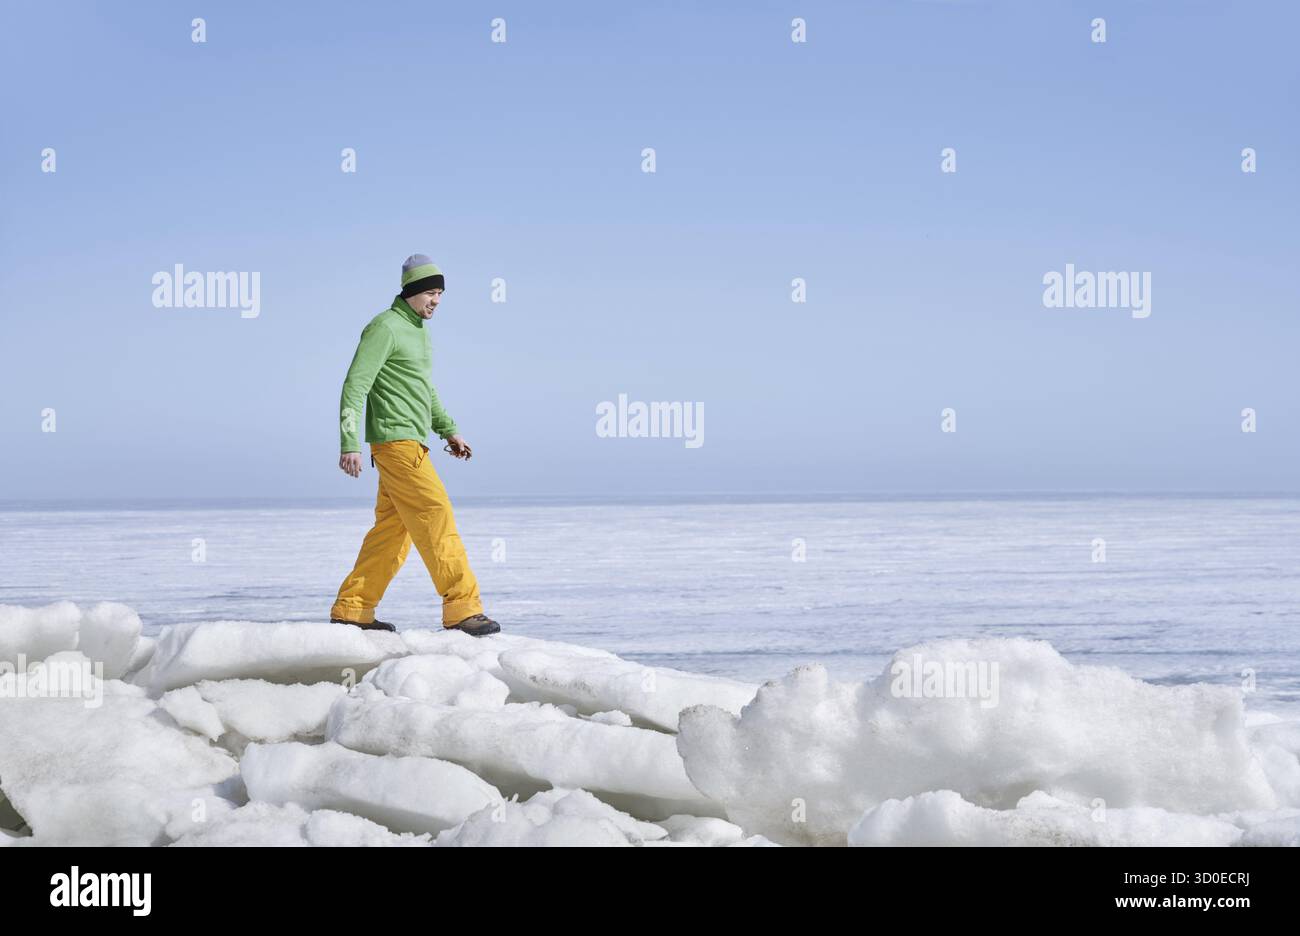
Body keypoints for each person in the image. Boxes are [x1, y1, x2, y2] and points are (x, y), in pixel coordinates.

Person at [329, 255, 500, 637]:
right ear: (410, 293)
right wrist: (349, 442)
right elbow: (355, 385)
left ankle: (353, 608)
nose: (436, 300)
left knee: (392, 531)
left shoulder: (418, 331)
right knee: (435, 514)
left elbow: (424, 388)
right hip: (395, 442)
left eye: (440, 293)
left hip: (413, 442)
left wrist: (448, 429)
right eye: (430, 293)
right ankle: (462, 608)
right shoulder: (385, 328)